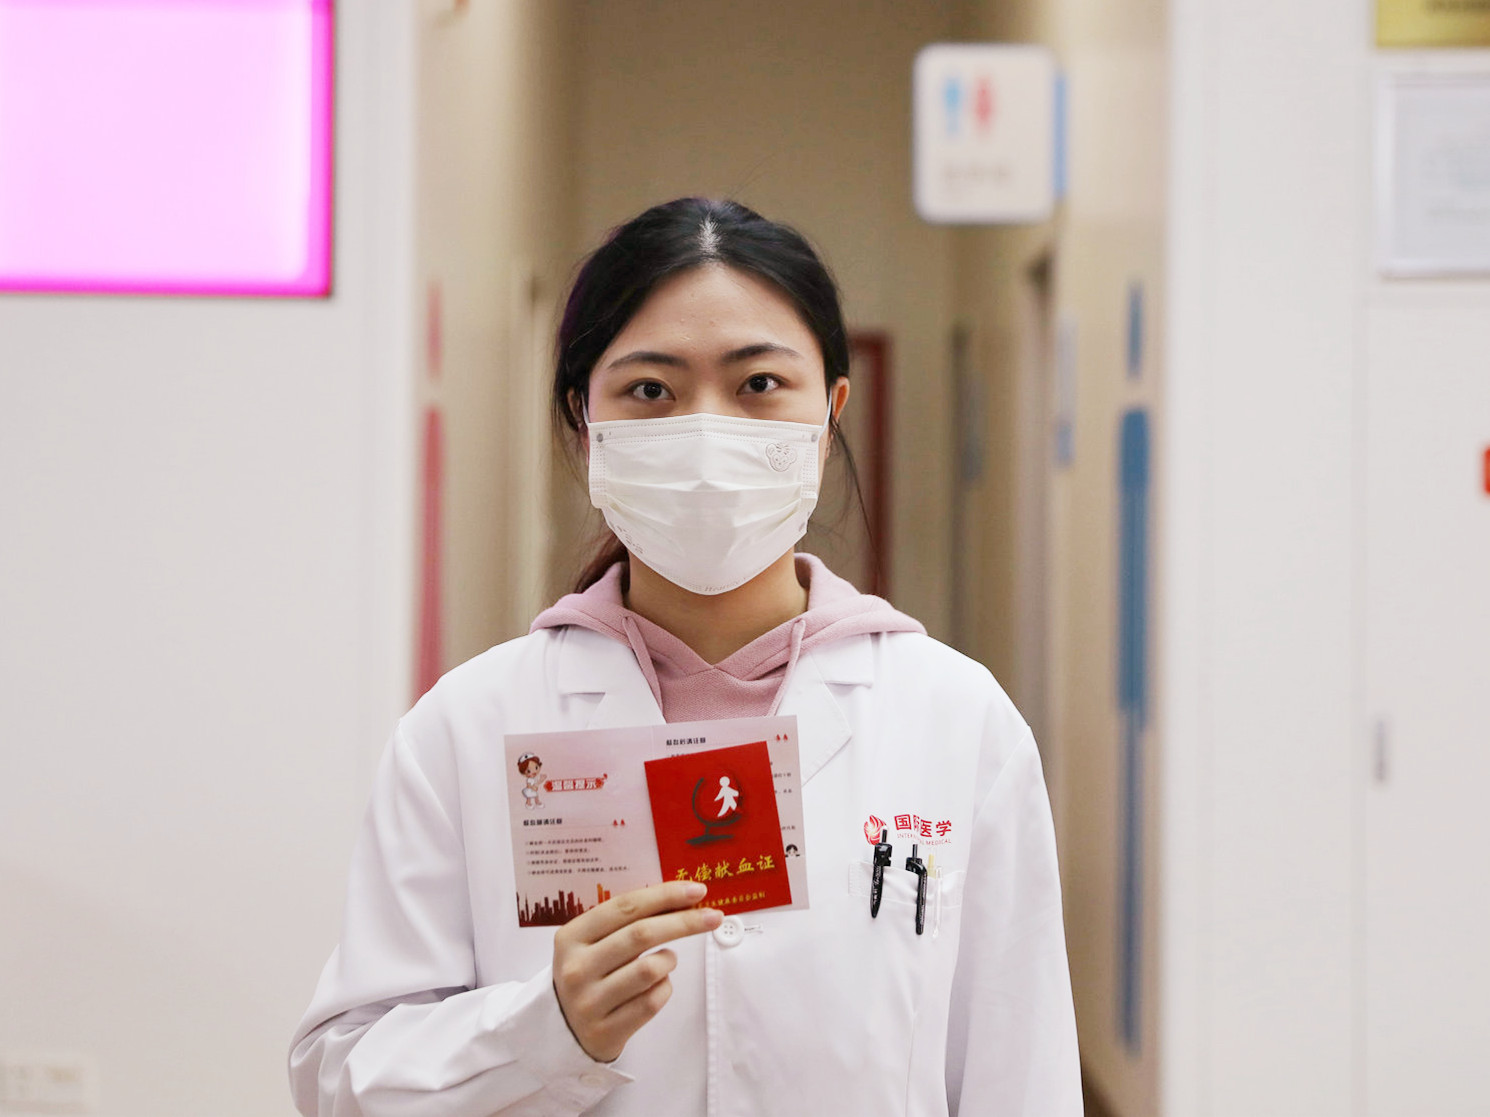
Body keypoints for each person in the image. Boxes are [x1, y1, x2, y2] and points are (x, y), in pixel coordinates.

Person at [289, 198, 1081, 1116]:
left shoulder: (957, 721)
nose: (708, 434)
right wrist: (544, 1030)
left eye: (758, 384)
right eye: (652, 391)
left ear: (830, 411)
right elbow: (343, 1075)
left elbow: (1021, 1076)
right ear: (586, 418)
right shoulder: (467, 728)